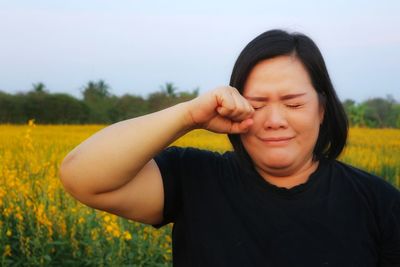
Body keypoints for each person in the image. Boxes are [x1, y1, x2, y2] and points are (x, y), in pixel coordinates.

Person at [59, 29, 400, 266]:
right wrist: (190, 114)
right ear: (234, 105)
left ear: (322, 110)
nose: (275, 120)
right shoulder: (196, 180)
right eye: (257, 103)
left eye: (293, 104)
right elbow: (80, 174)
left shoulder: (379, 203)